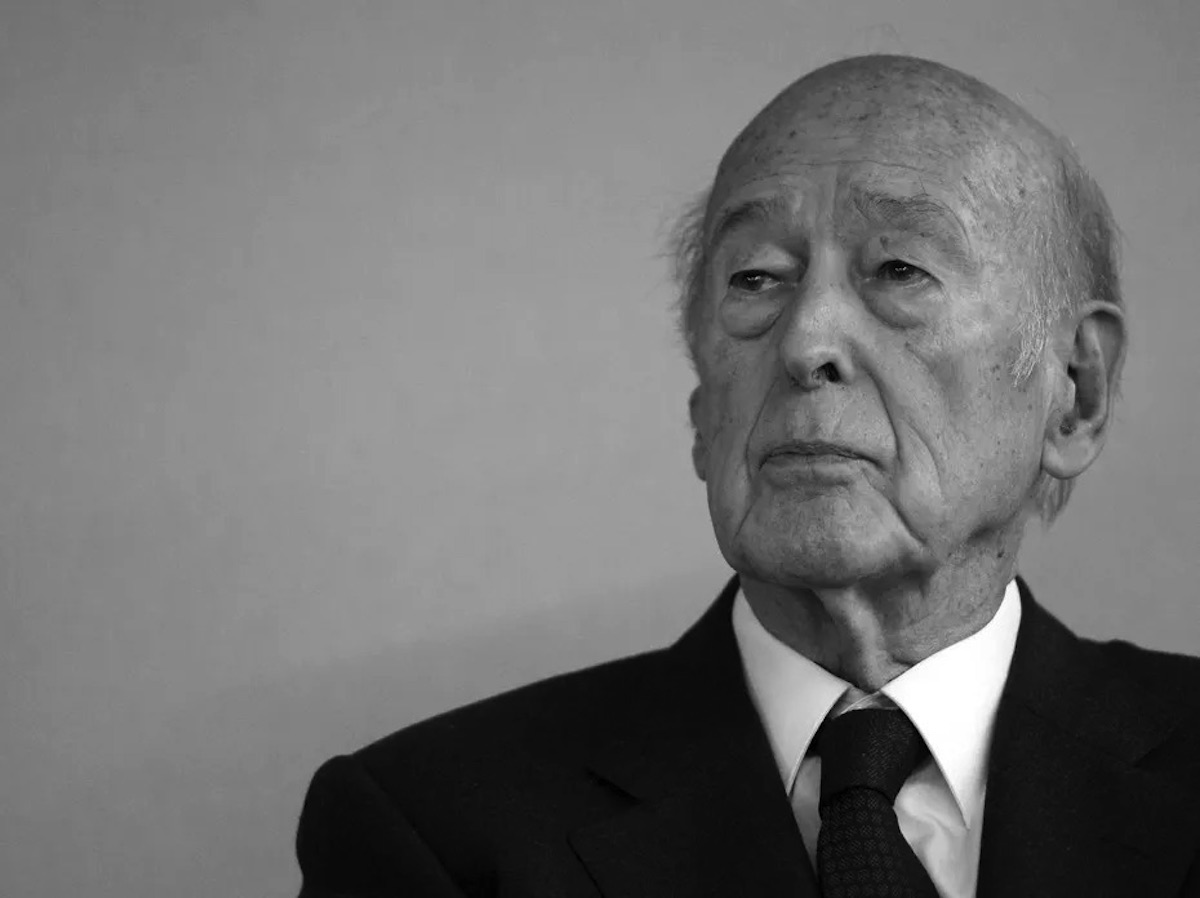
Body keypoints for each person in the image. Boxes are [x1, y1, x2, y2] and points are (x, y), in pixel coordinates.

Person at [294, 54, 1200, 897]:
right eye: (757, 280)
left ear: (1075, 392)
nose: (806, 342)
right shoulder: (433, 830)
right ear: (703, 412)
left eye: (898, 269)